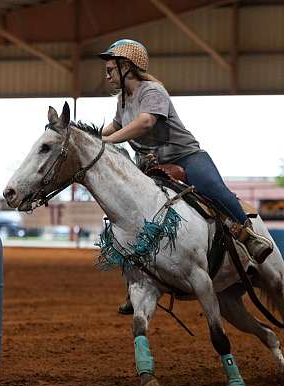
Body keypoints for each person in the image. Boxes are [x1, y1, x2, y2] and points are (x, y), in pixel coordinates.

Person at [98, 39, 274, 315]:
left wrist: (108, 144)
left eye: (111, 69)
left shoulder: (152, 91)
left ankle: (249, 237)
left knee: (215, 190)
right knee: (129, 212)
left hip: (186, 157)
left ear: (127, 67)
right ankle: (136, 284)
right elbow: (117, 125)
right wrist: (96, 137)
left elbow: (145, 122)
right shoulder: (123, 99)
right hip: (152, 163)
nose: (107, 74)